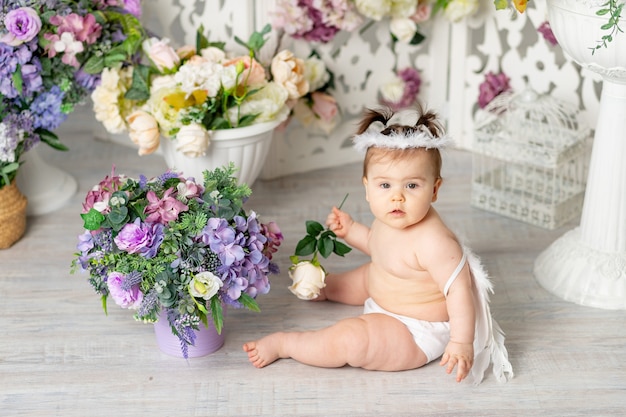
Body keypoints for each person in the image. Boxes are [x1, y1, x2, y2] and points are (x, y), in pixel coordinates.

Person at [243, 104, 513, 384]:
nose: (397, 198)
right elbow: (378, 246)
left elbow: (460, 291)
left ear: (434, 189)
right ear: (367, 187)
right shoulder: (388, 218)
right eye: (385, 186)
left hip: (412, 327)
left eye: (411, 186)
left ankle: (287, 344)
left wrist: (461, 342)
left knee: (352, 340)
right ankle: (327, 287)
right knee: (359, 277)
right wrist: (350, 230)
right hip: (381, 283)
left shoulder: (436, 242)